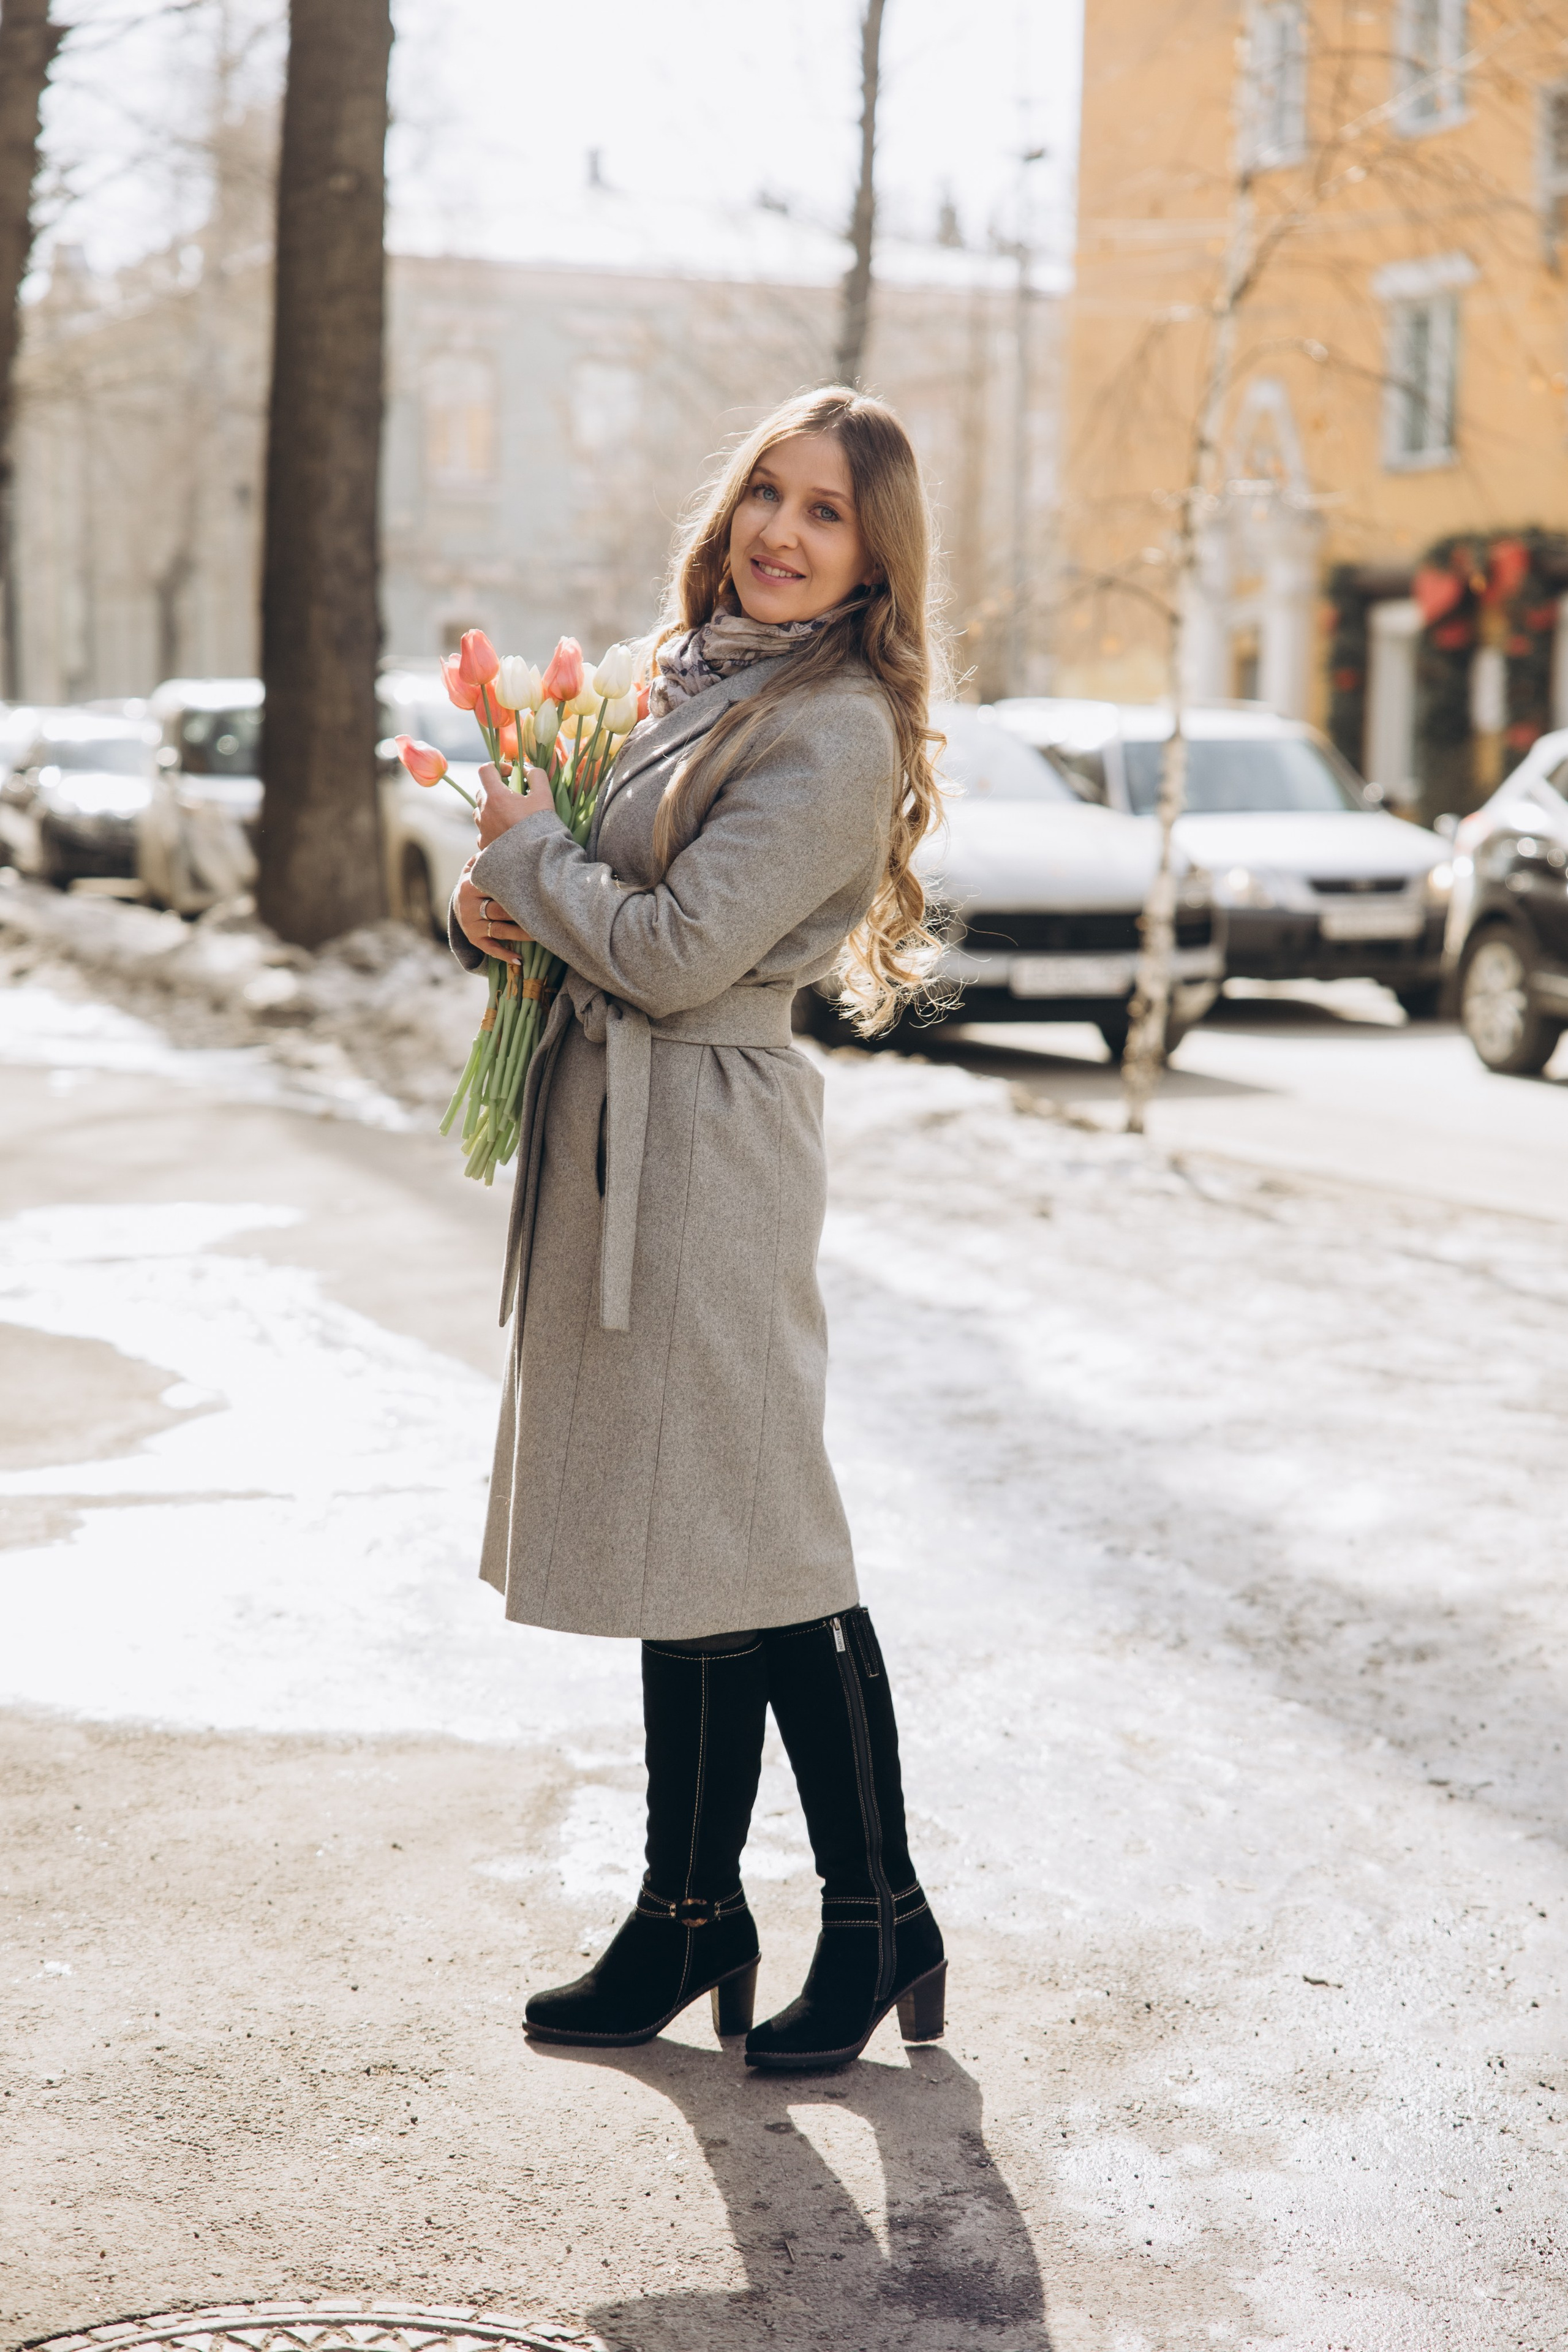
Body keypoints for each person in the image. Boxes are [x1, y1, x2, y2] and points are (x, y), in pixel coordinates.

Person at [450, 386, 947, 2071]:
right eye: (766, 494)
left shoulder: (835, 727)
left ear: (875, 558)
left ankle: (877, 1914)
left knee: (763, 1533)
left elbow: (670, 952)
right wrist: (498, 909)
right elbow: (592, 899)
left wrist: (535, 864)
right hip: (621, 1137)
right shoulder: (685, 681)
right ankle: (688, 1912)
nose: (781, 533)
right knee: (692, 1536)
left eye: (827, 512)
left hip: (711, 1147)